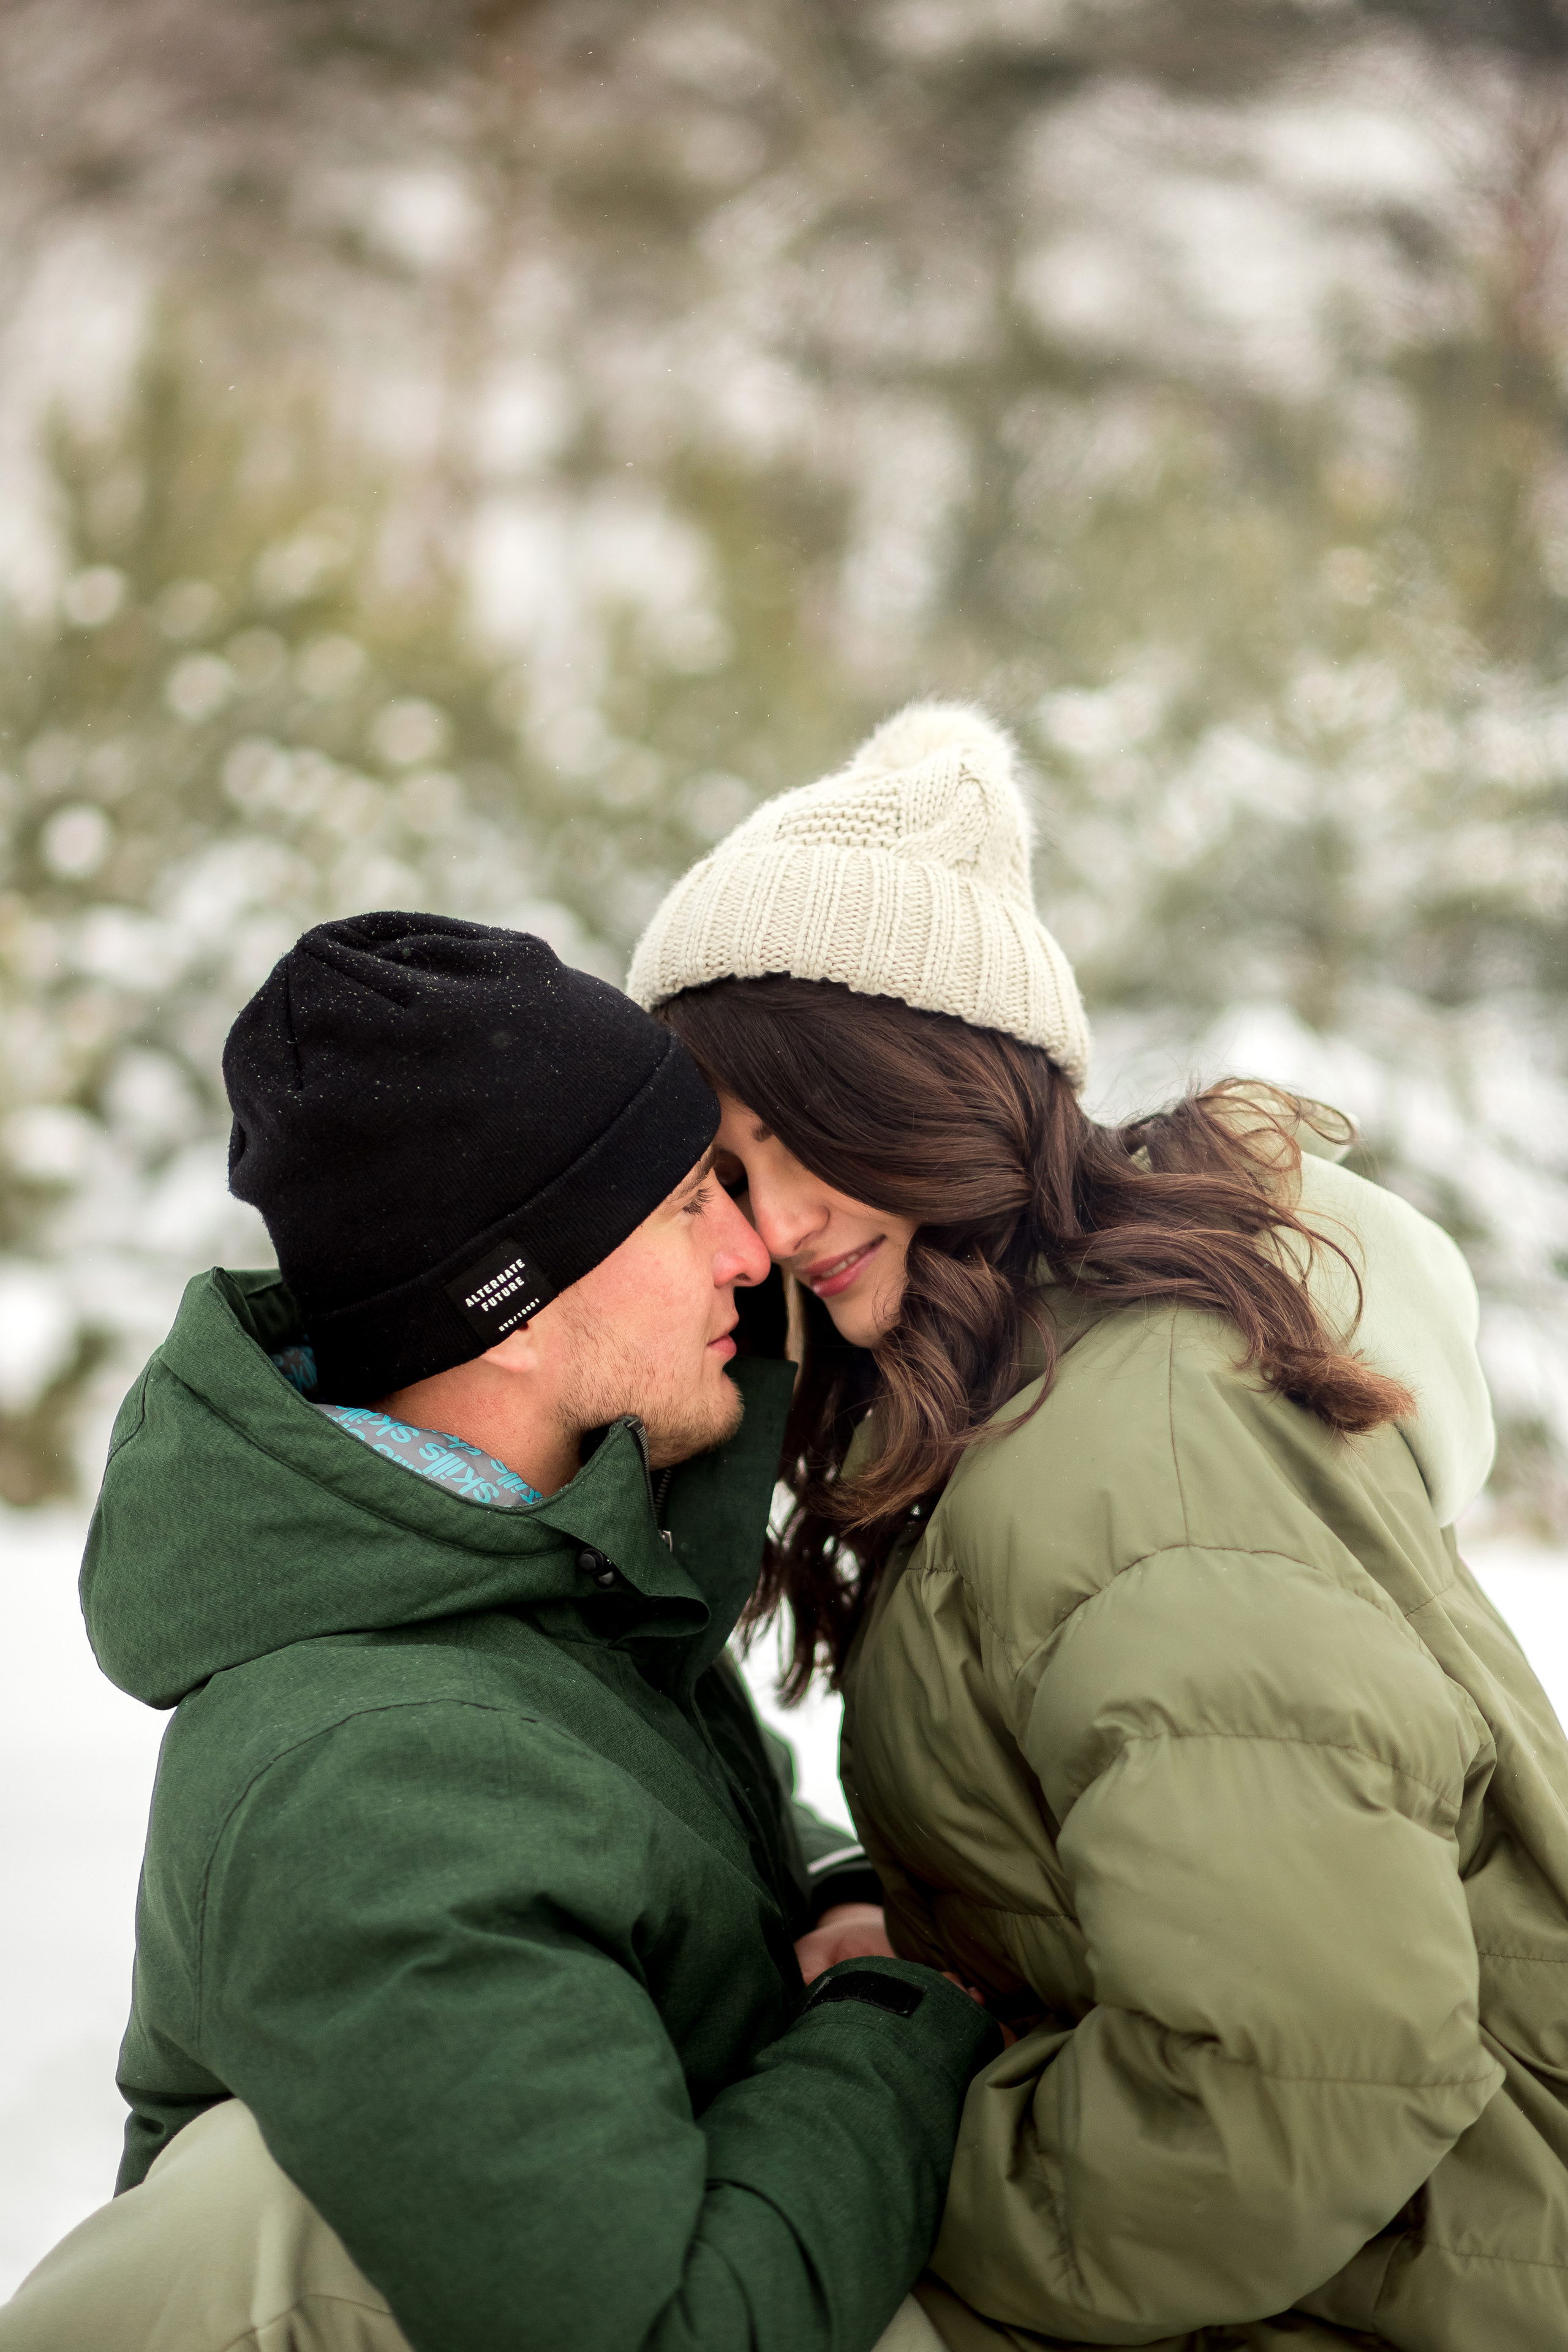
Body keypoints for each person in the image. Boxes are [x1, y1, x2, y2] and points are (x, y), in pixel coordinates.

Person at [627, 701, 1568, 2350]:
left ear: (935, 1085)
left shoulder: (1144, 1447)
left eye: (808, 1133)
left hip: (1422, 2289)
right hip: (1332, 2254)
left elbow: (1307, 2064)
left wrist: (900, 2184)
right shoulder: (1023, 1391)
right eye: (730, 1172)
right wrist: (928, 1934)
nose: (776, 1224)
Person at [0, 913, 1000, 2352]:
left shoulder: (531, 1586)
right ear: (511, 1307)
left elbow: (712, 1872)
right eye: (685, 1208)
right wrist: (895, 2018)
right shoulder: (373, 1787)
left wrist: (841, 1901)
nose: (749, 1249)